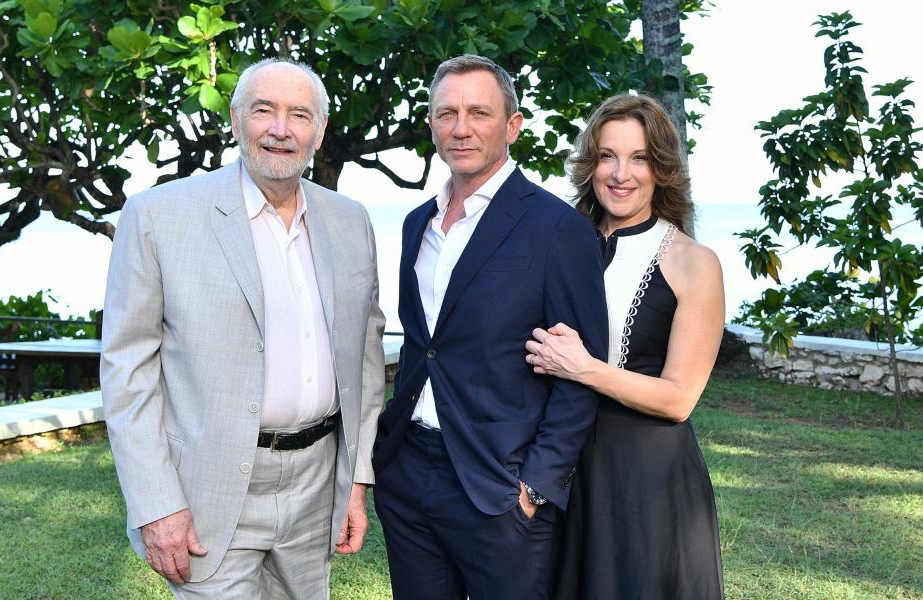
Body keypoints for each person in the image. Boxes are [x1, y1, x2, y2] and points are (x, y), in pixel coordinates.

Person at [100, 58, 385, 599]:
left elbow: (365, 364)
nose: (281, 129)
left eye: (299, 115)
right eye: (264, 110)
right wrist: (157, 501)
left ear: (319, 132)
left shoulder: (351, 221)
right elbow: (127, 372)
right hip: (208, 492)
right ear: (235, 120)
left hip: (316, 487)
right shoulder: (158, 216)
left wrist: (357, 481)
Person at [371, 54, 608, 600]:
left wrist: (534, 487)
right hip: (409, 474)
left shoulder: (558, 229)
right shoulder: (416, 224)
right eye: (446, 113)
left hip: (499, 486)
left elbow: (584, 370)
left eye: (479, 112)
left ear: (513, 125)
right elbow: (421, 346)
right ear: (431, 124)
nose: (461, 128)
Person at [524, 93, 725, 599]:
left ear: (661, 168)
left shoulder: (692, 262)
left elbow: (679, 399)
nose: (621, 173)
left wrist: (583, 369)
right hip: (561, 466)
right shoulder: (560, 244)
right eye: (608, 156)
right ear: (590, 165)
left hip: (646, 479)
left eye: (638, 158)